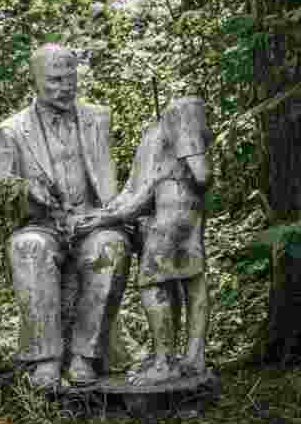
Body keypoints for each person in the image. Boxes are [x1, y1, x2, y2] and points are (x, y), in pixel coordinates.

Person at [0, 43, 131, 388]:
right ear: (35, 81)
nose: (64, 87)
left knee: (111, 245)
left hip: (90, 220)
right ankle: (46, 358)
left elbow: (109, 178)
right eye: (54, 80)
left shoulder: (99, 118)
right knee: (28, 248)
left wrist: (111, 216)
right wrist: (25, 190)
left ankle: (87, 355)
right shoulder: (11, 130)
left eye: (69, 78)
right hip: (42, 224)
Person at [74, 96, 213, 385]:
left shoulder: (179, 116)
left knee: (153, 283)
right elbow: (137, 188)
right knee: (191, 280)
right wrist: (108, 213)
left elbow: (200, 175)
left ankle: (165, 362)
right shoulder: (157, 134)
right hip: (185, 217)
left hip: (170, 221)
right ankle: (188, 356)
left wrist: (109, 217)